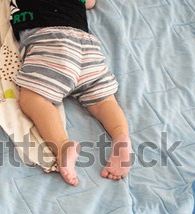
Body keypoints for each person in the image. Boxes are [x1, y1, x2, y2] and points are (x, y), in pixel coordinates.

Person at [11, 0, 132, 186]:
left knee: (33, 99)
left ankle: (62, 147)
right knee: (104, 101)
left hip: (51, 40)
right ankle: (121, 136)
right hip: (88, 47)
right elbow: (90, 3)